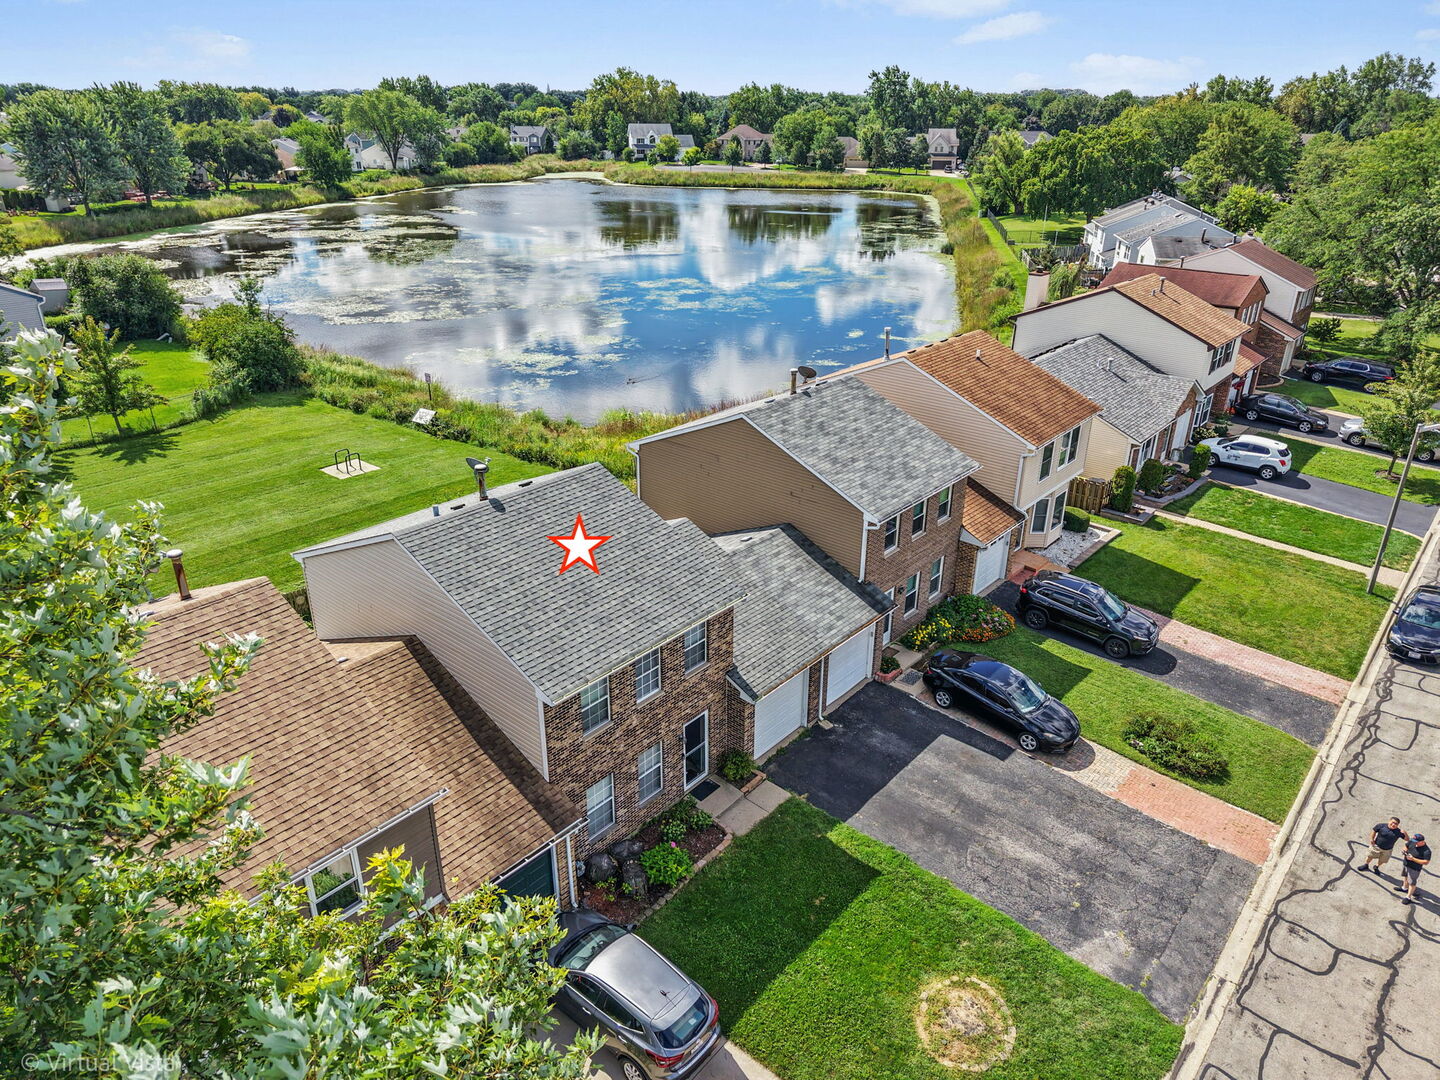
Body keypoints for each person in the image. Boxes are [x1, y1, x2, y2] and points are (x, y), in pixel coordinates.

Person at [1396, 833, 1431, 905]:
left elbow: (1426, 862)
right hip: (1406, 864)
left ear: (1422, 842)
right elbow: (1406, 846)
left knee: (1412, 882)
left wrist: (1413, 859)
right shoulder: (1412, 842)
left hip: (1414, 868)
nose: (1414, 843)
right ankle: (1404, 888)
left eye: (1416, 842)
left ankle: (1408, 897)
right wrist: (1404, 851)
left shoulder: (1426, 851)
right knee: (1405, 876)